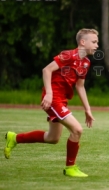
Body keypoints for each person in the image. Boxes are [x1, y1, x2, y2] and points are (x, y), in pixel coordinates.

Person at [3, 28, 99, 177]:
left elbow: (80, 86)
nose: (96, 45)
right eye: (94, 42)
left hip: (62, 100)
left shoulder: (85, 62)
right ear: (82, 42)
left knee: (52, 138)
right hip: (53, 99)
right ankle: (70, 168)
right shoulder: (68, 55)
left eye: (97, 42)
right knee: (77, 130)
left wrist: (88, 109)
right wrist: (48, 93)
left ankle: (14, 138)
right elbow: (46, 70)